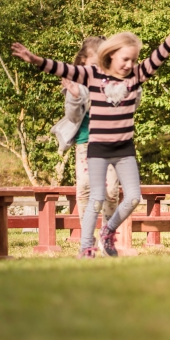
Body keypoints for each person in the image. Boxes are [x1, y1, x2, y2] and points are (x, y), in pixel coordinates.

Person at [12, 8, 170, 259]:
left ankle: (108, 231)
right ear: (111, 56)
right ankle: (86, 247)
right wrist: (36, 60)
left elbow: (159, 57)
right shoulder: (94, 76)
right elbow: (63, 69)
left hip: (124, 149)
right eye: (124, 59)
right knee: (95, 197)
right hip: (97, 149)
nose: (129, 65)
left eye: (133, 60)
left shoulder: (136, 78)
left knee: (133, 198)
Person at [50, 37, 120, 227]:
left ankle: (108, 234)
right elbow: (72, 117)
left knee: (111, 191)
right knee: (84, 188)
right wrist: (74, 97)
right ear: (83, 63)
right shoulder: (76, 86)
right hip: (85, 143)